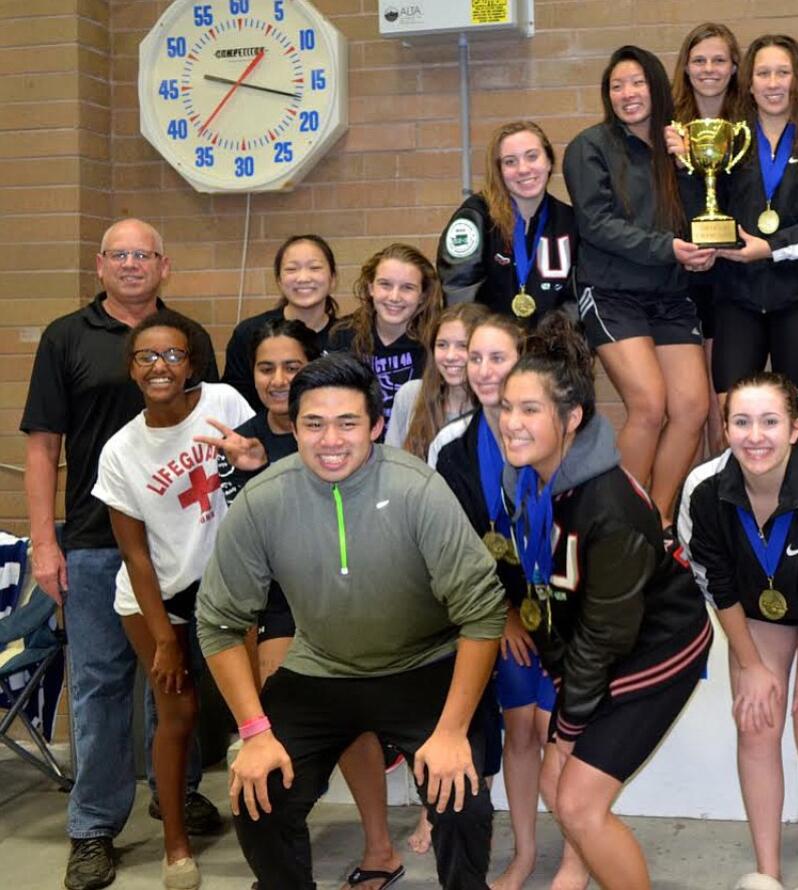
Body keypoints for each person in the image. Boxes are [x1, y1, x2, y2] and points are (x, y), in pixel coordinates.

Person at [196, 353, 506, 889]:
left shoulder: (419, 490)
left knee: (462, 803)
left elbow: (482, 611)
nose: (330, 440)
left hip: (423, 666)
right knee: (257, 793)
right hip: (321, 670)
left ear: (377, 426)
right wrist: (255, 733)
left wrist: (453, 731)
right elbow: (219, 622)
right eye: (313, 423)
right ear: (292, 427)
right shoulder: (263, 500)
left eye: (348, 423)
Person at [21, 218, 223, 890]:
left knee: (177, 684)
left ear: (164, 267)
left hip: (180, 547)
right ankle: (94, 827)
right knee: (101, 686)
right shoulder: (65, 338)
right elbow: (43, 446)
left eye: (144, 255)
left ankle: (178, 797)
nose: (132, 265)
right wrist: (44, 542)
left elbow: (213, 437)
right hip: (94, 542)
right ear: (100, 265)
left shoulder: (189, 338)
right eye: (119, 255)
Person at [499, 314, 712, 890]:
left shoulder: (609, 506)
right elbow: (540, 585)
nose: (511, 425)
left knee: (580, 803)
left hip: (655, 648)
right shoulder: (525, 478)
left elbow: (608, 631)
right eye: (506, 408)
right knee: (556, 786)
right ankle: (579, 874)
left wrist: (568, 725)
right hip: (598, 645)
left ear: (572, 419)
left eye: (529, 411)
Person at [201, 319, 409, 889]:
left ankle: (380, 847)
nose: (277, 378)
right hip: (276, 599)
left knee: (351, 712)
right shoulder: (237, 438)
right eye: (266, 368)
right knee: (278, 713)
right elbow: (256, 530)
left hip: (345, 591)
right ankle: (281, 864)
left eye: (290, 367)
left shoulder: (345, 425)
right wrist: (247, 469)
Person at [678, 371, 798, 890]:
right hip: (757, 609)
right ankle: (766, 872)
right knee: (757, 721)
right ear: (725, 427)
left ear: (792, 429)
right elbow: (717, 583)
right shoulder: (702, 489)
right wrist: (751, 664)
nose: (754, 435)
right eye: (741, 422)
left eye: (769, 422)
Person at [91, 310, 253, 889]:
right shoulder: (120, 451)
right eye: (147, 357)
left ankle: (268, 835)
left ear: (192, 363)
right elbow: (135, 557)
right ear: (132, 370)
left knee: (252, 712)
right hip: (155, 595)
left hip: (230, 586)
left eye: (173, 355)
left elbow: (261, 470)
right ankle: (175, 845)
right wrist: (164, 638)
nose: (160, 366)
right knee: (176, 713)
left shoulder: (226, 403)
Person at [427, 313, 577, 890]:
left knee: (561, 737)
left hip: (564, 614)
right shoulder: (452, 445)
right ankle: (523, 853)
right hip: (504, 614)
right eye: (475, 357)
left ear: (524, 361)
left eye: (498, 357)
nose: (485, 370)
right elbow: (458, 549)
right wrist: (504, 614)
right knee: (520, 736)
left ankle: (575, 854)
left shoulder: (557, 434)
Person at [563, 44, 713, 521]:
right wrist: (665, 249)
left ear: (657, 87)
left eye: (637, 83)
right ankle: (620, 524)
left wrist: (688, 166)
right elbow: (596, 224)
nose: (627, 94)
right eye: (616, 86)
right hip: (611, 292)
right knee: (649, 405)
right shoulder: (590, 147)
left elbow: (698, 216)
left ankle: (659, 521)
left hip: (669, 295)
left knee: (691, 408)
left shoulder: (678, 145)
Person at [708, 34, 798, 399]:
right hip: (736, 297)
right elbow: (708, 212)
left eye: (783, 73)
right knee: (732, 405)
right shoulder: (727, 143)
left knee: (796, 408)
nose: (773, 84)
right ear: (749, 83)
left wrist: (770, 248)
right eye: (763, 73)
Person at [668, 21, 742, 455]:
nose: (709, 69)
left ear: (735, 67)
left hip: (730, 278)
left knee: (720, 406)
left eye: (718, 59)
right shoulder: (667, 129)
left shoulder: (748, 128)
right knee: (685, 407)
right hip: (679, 277)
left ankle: (719, 505)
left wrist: (725, 248)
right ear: (686, 67)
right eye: (699, 60)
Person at [437, 121, 577, 325]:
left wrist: (549, 346)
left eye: (532, 156)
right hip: (488, 349)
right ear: (499, 170)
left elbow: (577, 299)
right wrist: (491, 346)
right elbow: (460, 294)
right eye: (510, 162)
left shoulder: (570, 222)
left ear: (549, 161)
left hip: (552, 350)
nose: (523, 169)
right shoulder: (475, 216)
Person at [329, 242, 441, 439]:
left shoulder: (435, 342)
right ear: (371, 287)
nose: (394, 297)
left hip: (413, 454)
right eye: (385, 285)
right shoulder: (343, 336)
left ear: (422, 295)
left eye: (407, 287)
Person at [222, 234, 341, 410]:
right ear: (278, 280)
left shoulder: (348, 336)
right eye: (292, 269)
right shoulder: (249, 333)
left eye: (314, 268)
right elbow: (236, 404)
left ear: (333, 278)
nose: (303, 278)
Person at [390, 302, 487, 458]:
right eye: (442, 345)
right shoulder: (410, 395)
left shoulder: (493, 409)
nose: (450, 356)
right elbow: (391, 465)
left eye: (463, 346)